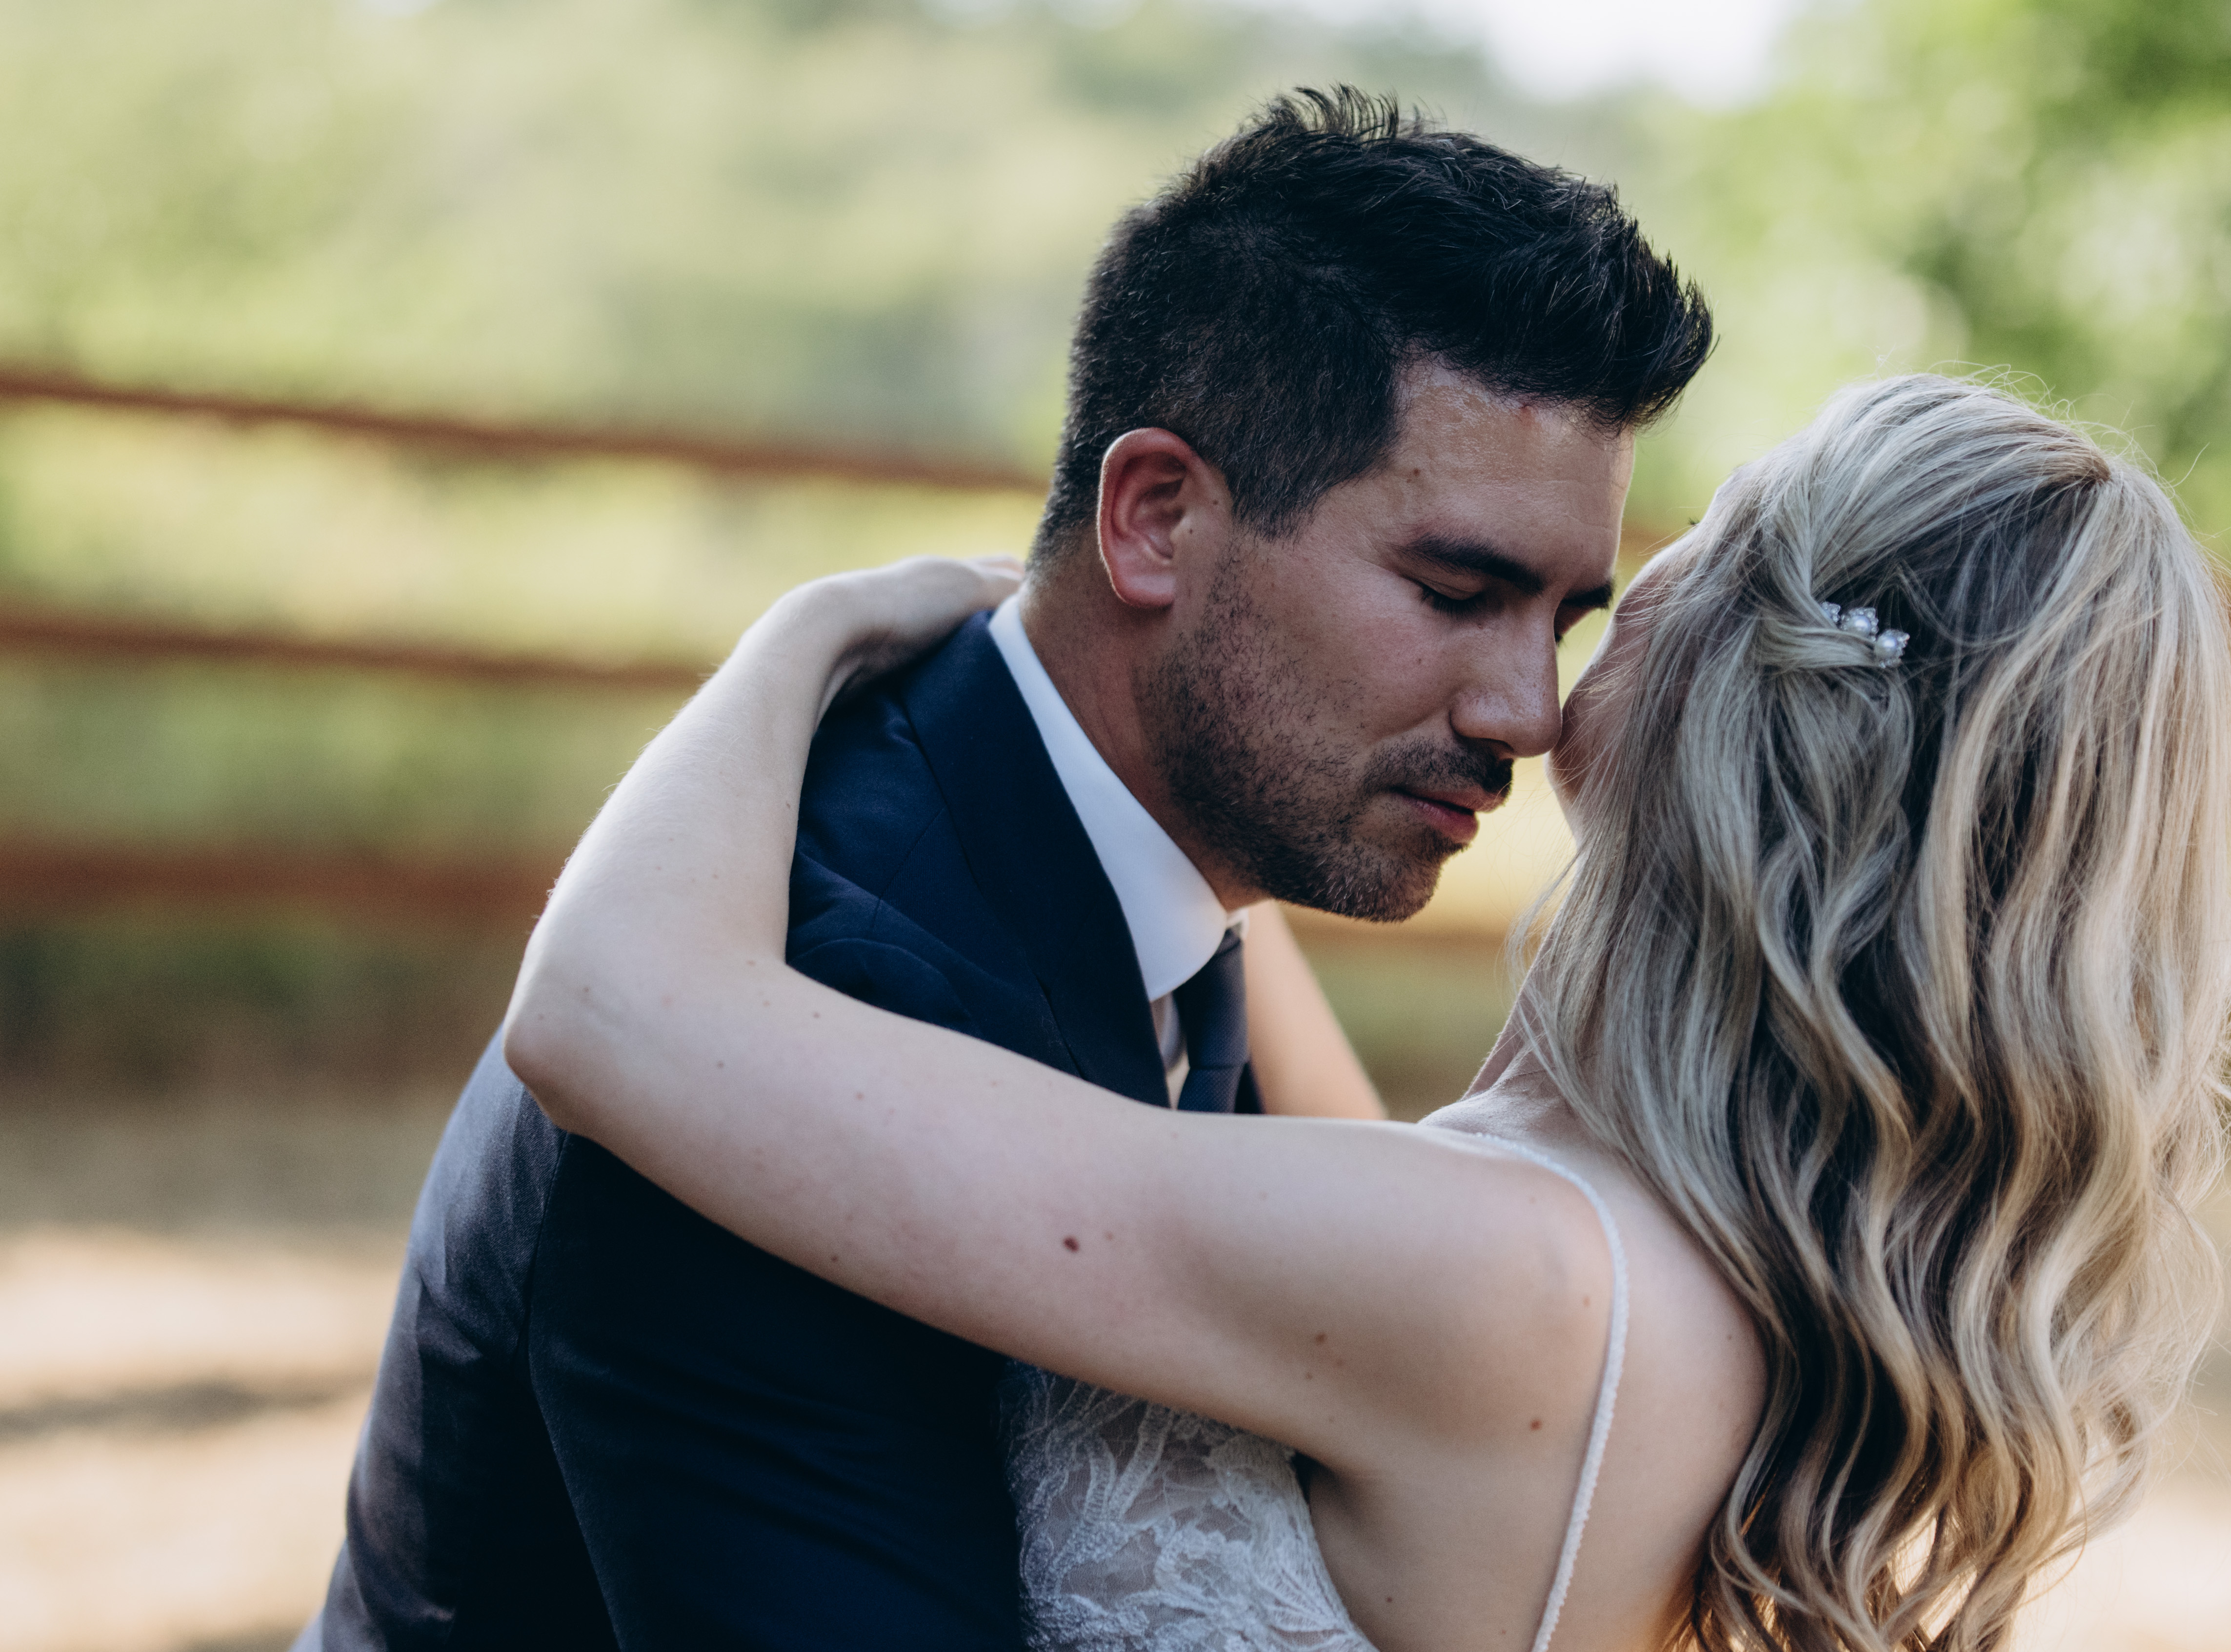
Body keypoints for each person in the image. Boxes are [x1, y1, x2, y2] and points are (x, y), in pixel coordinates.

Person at [505, 373, 2231, 1651]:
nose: (1599, 610)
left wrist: (817, 630)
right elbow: (1289, 1059)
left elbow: (609, 1013)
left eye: (1708, 529)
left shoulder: (1491, 1279)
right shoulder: (1673, 1251)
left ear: (1753, 672)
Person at [298, 88, 1713, 1650]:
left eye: (1565, 618)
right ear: (1154, 519)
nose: (1525, 710)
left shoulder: (1169, 876)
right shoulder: (808, 1012)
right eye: (1454, 590)